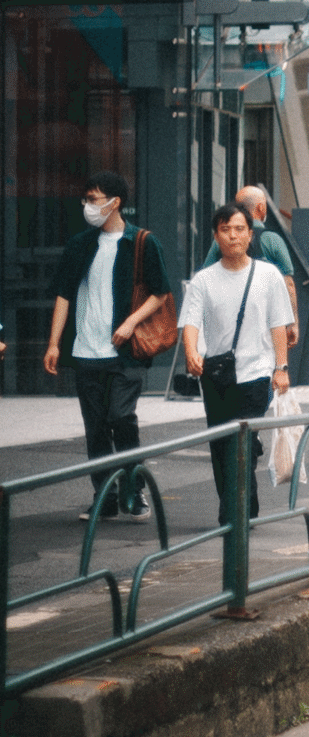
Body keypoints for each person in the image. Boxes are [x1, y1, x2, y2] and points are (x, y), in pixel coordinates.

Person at [45, 171, 172, 523]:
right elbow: (64, 295)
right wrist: (55, 343)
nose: (87, 206)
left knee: (121, 417)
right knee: (96, 426)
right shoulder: (80, 245)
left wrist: (131, 322)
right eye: (85, 199)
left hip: (124, 353)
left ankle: (134, 489)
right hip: (86, 353)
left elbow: (161, 292)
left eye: (93, 199)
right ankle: (105, 495)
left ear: (115, 202)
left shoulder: (142, 242)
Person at [179, 200, 293, 526]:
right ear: (215, 236)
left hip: (256, 372)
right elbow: (191, 322)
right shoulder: (204, 280)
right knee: (220, 445)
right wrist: (191, 352)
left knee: (238, 444)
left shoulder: (268, 275)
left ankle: (233, 513)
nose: (233, 236)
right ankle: (244, 504)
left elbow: (278, 324)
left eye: (239, 229)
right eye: (225, 230)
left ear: (250, 234)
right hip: (216, 374)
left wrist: (281, 368)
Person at [203, 185, 298, 347]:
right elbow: (288, 284)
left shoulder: (221, 241)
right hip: (265, 325)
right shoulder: (272, 240)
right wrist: (293, 323)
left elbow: (206, 279)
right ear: (261, 208)